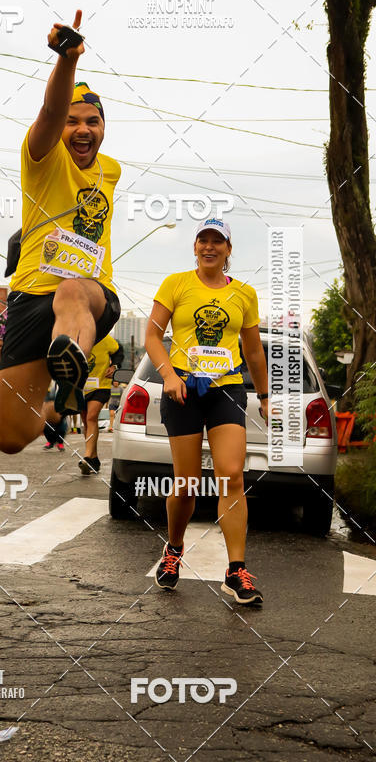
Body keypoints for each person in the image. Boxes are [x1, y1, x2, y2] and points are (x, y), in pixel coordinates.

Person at [0, 8, 121, 454]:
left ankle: (74, 360)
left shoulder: (111, 170)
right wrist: (67, 60)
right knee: (10, 437)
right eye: (73, 121)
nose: (83, 130)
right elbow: (50, 110)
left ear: (104, 127)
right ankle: (60, 405)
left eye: (93, 121)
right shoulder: (42, 159)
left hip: (91, 295)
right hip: (30, 297)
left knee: (71, 290)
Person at [144, 218, 269, 605]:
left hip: (226, 388)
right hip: (182, 388)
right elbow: (151, 335)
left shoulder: (245, 294)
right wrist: (167, 374)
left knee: (231, 474)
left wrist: (264, 395)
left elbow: (252, 350)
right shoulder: (176, 283)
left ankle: (236, 571)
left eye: (218, 241)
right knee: (187, 485)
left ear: (229, 250)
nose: (210, 246)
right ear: (195, 247)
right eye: (203, 240)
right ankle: (175, 548)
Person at [79, 334, 123, 474]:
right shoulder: (76, 339)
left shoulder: (103, 338)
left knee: (91, 417)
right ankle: (94, 459)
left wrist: (114, 366)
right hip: (80, 387)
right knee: (86, 422)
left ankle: (86, 456)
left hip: (101, 386)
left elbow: (118, 350)